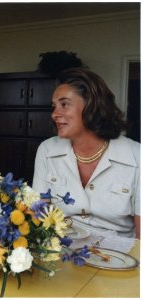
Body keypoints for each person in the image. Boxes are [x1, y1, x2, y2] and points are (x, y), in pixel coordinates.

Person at [32, 68, 140, 239]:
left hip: (120, 258)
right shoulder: (47, 150)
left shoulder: (136, 156)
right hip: (62, 252)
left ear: (92, 106)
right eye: (54, 107)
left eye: (64, 104)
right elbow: (38, 216)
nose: (54, 114)